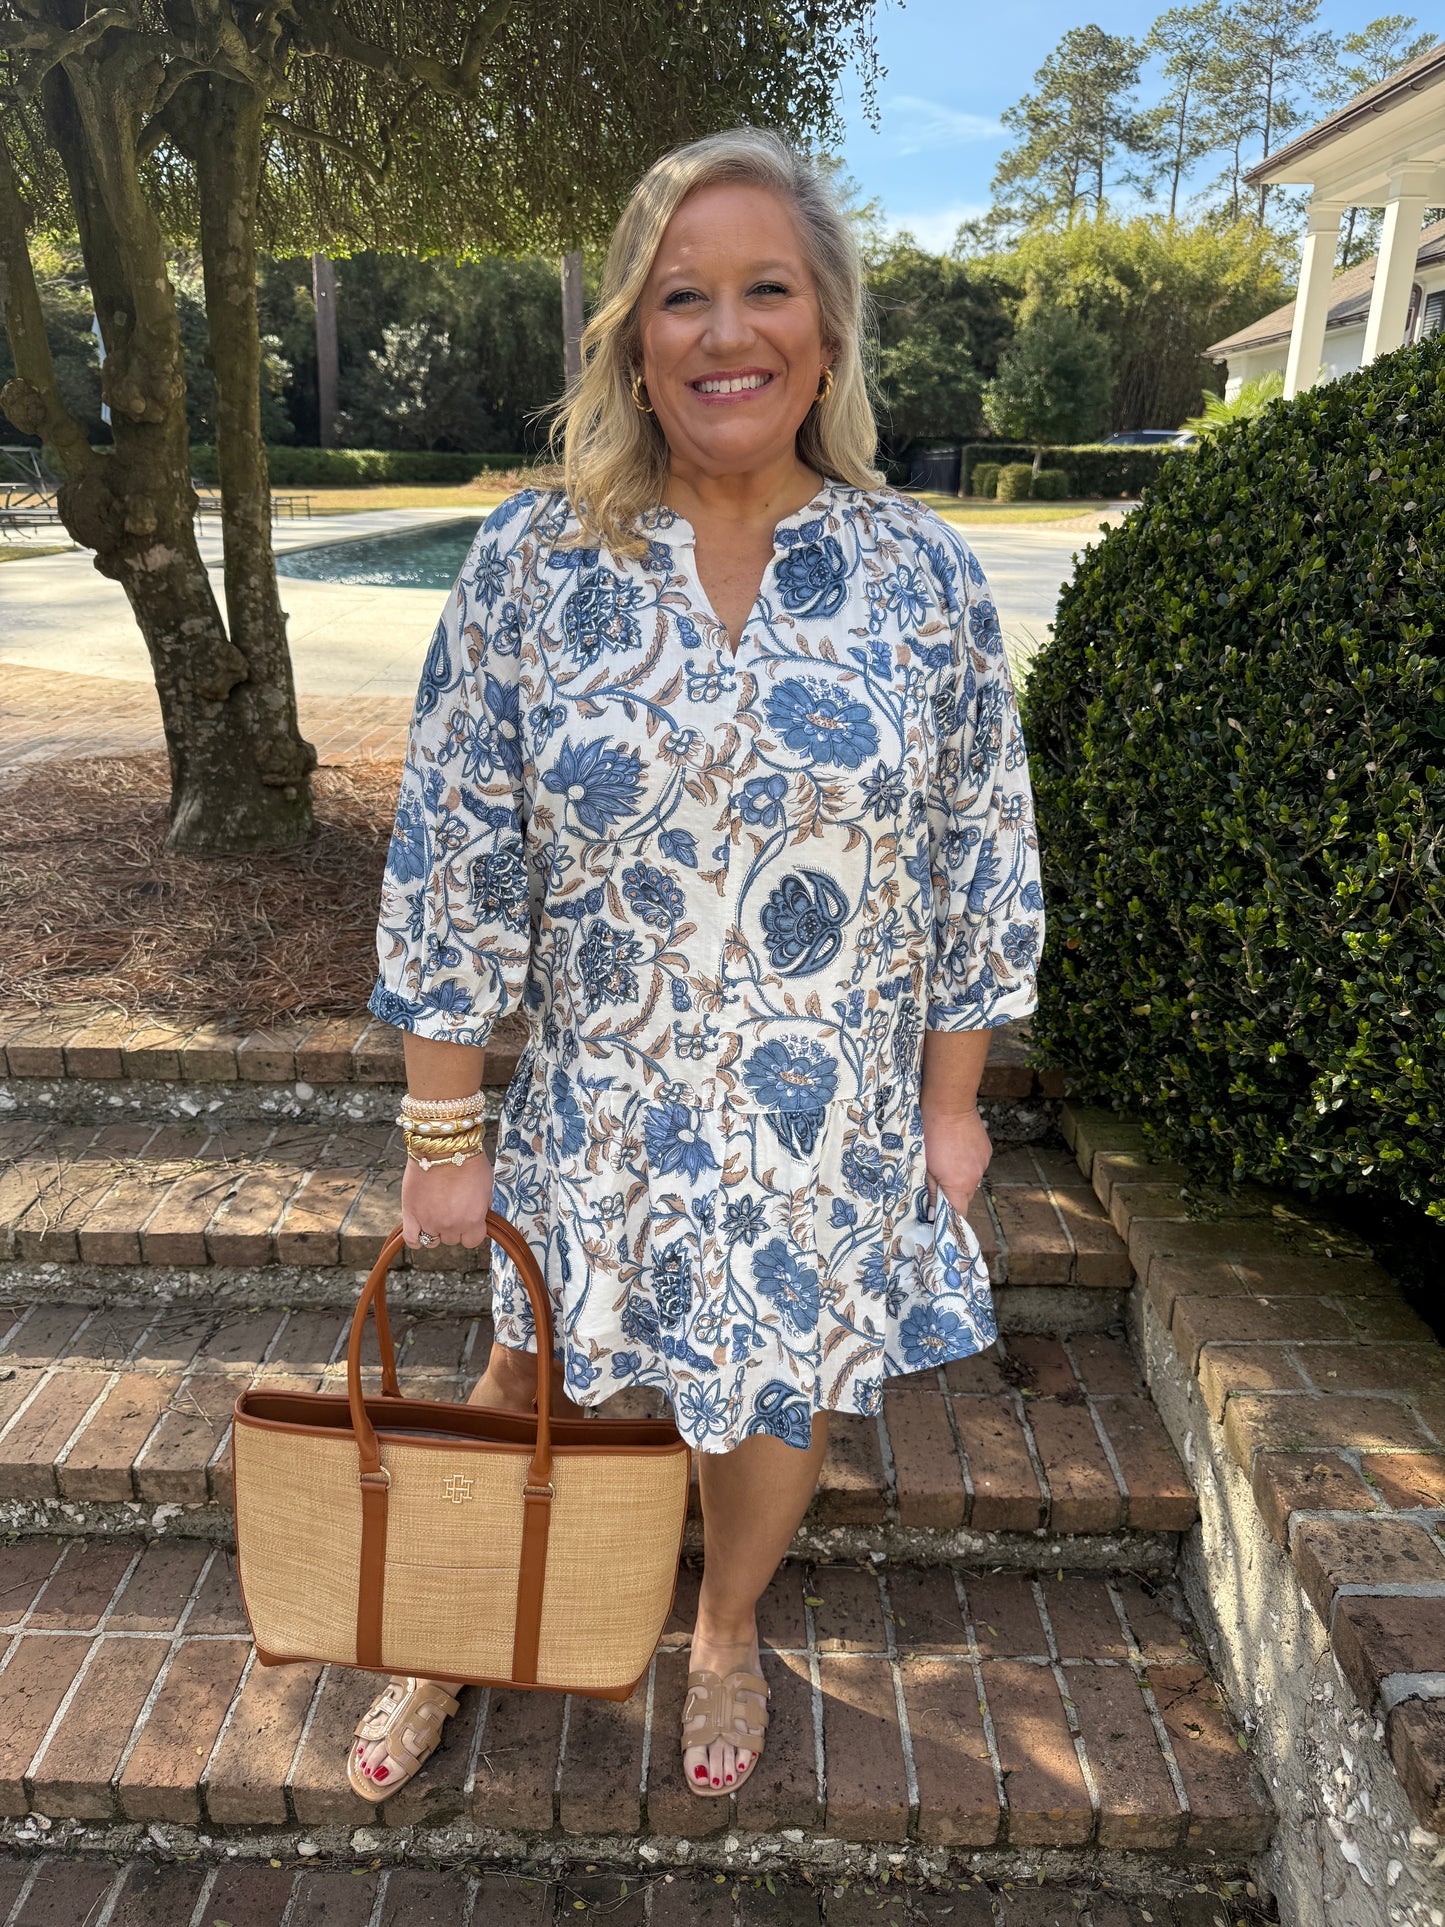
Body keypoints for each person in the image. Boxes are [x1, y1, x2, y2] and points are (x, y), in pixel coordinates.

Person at [349, 126, 1044, 1804]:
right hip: (602, 1092)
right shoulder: (533, 563)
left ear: (825, 327)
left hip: (829, 1113)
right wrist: (446, 1132)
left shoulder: (916, 574)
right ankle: (452, 1627)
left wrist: (954, 1112)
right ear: (632, 335)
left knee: (774, 1395)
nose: (726, 334)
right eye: (683, 297)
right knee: (527, 1367)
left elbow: (977, 857)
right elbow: (455, 849)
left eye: (764, 290)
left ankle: (725, 1625)